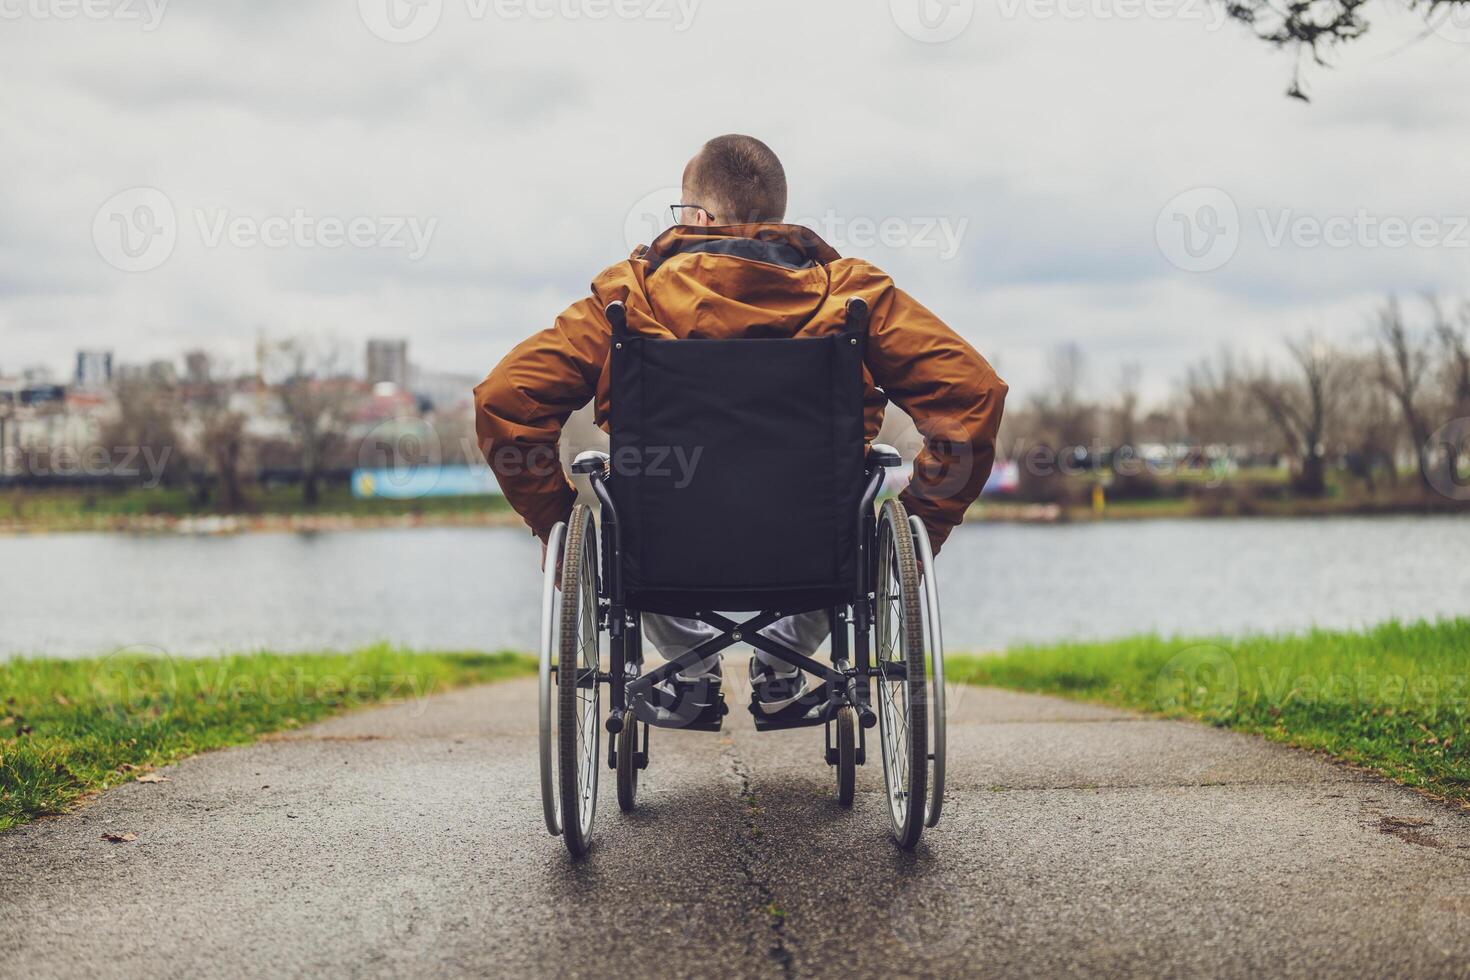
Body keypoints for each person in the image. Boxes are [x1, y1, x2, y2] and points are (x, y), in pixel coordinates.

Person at [474, 134, 1007, 716]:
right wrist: (923, 523)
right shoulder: (854, 296)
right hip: (818, 547)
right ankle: (781, 664)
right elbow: (971, 395)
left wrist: (553, 519)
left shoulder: (627, 299)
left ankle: (694, 669)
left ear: (699, 217)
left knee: (630, 520)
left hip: (660, 549)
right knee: (850, 522)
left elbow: (506, 401)